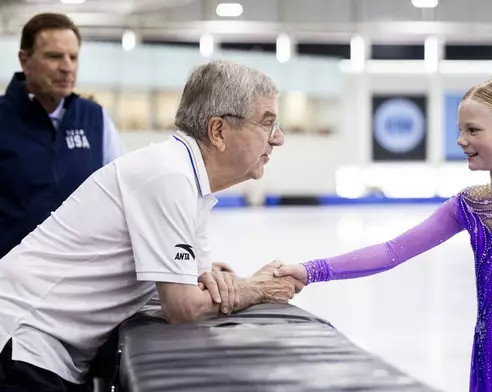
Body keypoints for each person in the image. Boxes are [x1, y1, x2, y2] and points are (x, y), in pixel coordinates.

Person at [275, 77, 492, 392]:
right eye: (460, 130)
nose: (460, 140)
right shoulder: (470, 204)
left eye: (473, 130)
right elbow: (392, 251)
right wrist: (310, 270)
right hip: (489, 357)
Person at [0, 60, 300, 391]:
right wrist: (255, 288)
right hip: (22, 339)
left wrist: (227, 284)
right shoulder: (169, 175)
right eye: (267, 123)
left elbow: (199, 285)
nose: (279, 139)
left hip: (43, 347)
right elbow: (184, 307)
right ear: (218, 131)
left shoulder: (190, 181)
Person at [0, 12, 125, 260]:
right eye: (54, 56)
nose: (67, 67)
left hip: (82, 276)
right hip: (10, 279)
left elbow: (127, 195)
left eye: (73, 57)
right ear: (25, 61)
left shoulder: (95, 118)